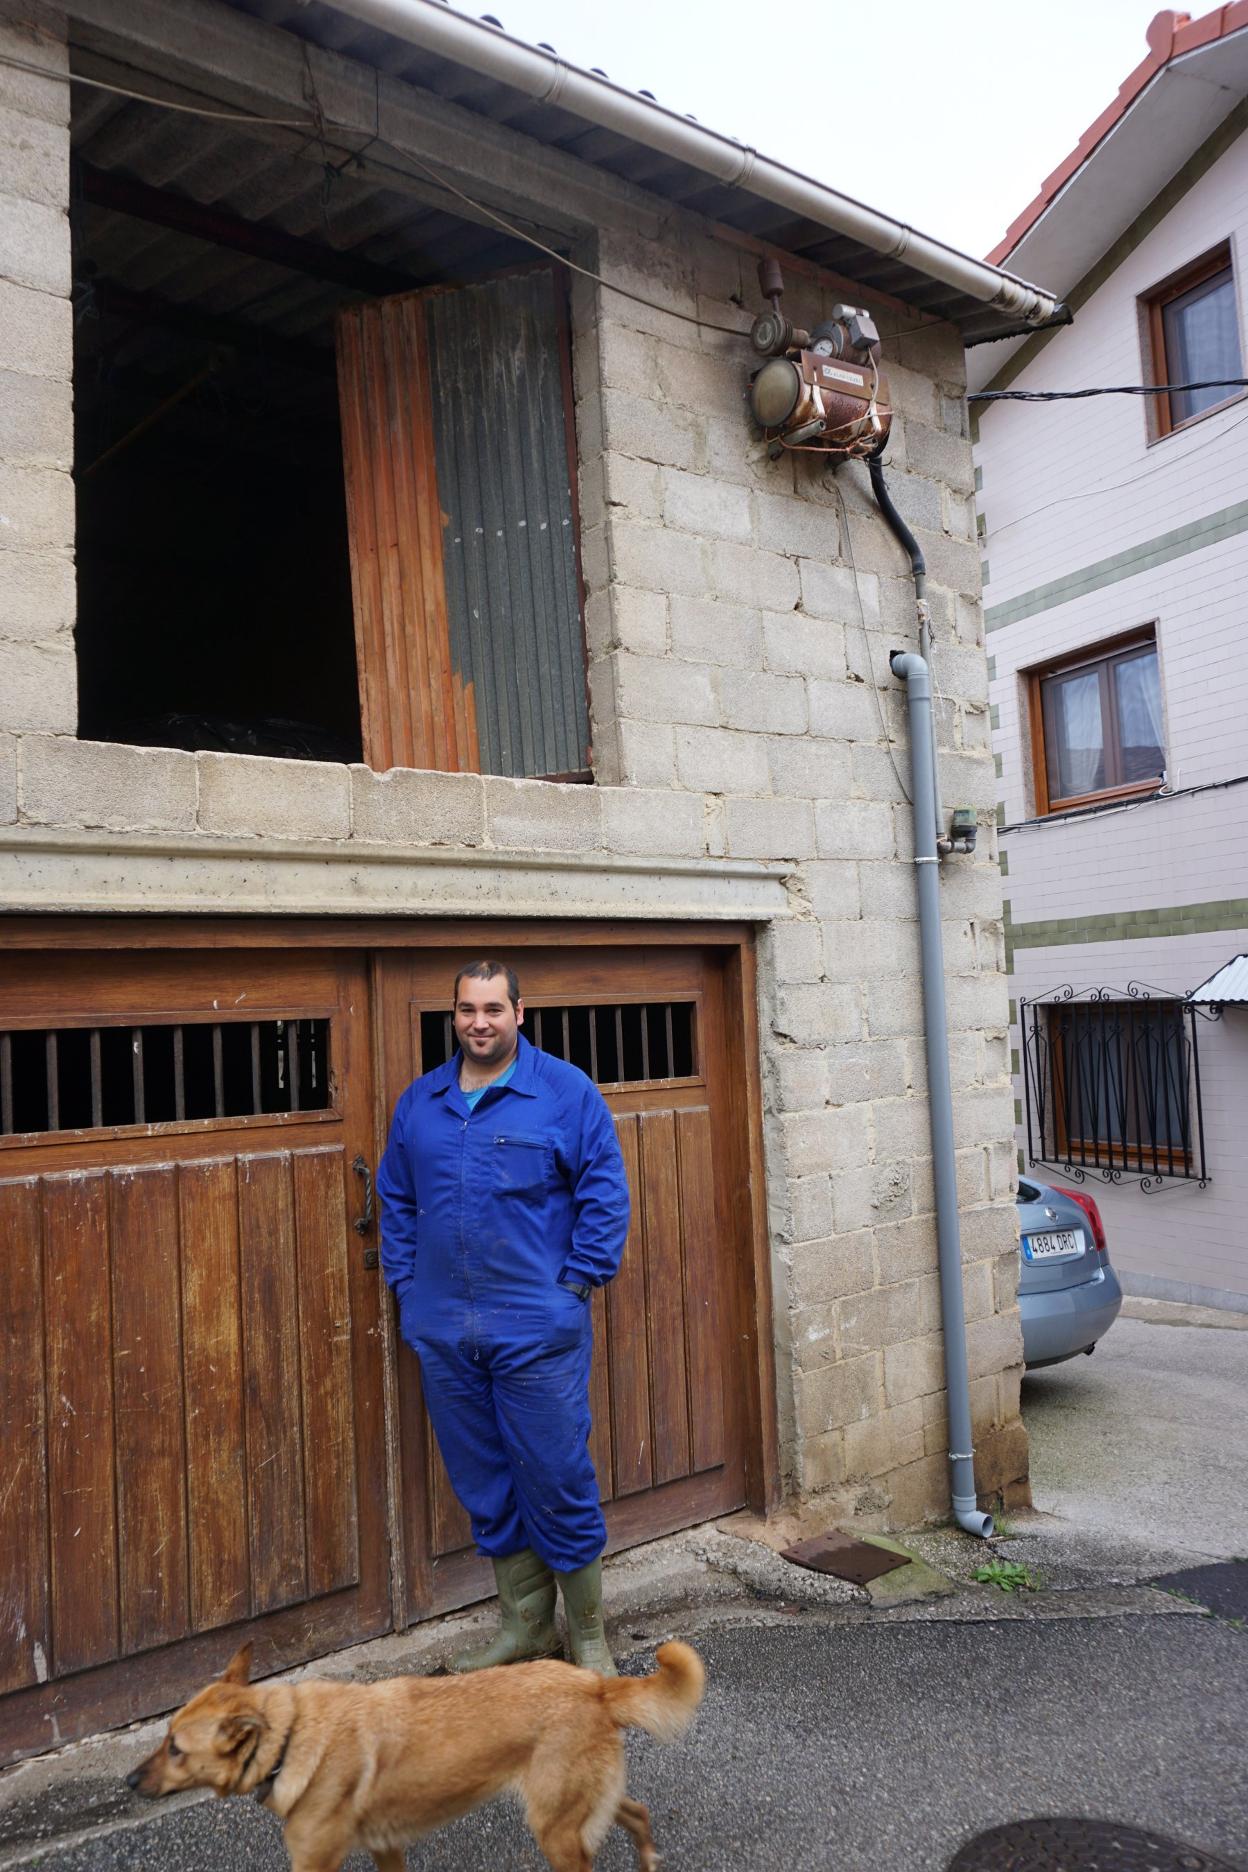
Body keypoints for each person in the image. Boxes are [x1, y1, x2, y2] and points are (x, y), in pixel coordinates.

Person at [377, 959, 630, 1675]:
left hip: (536, 1328)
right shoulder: (420, 1103)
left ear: (520, 1013)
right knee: (484, 1479)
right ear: (452, 1016)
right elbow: (396, 1199)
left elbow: (604, 1190)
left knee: (555, 1475)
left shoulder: (564, 1093)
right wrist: (407, 1286)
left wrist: (577, 1284)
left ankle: (586, 1637)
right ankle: (525, 1629)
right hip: (446, 1331)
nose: (478, 1022)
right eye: (465, 1010)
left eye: (493, 1008)